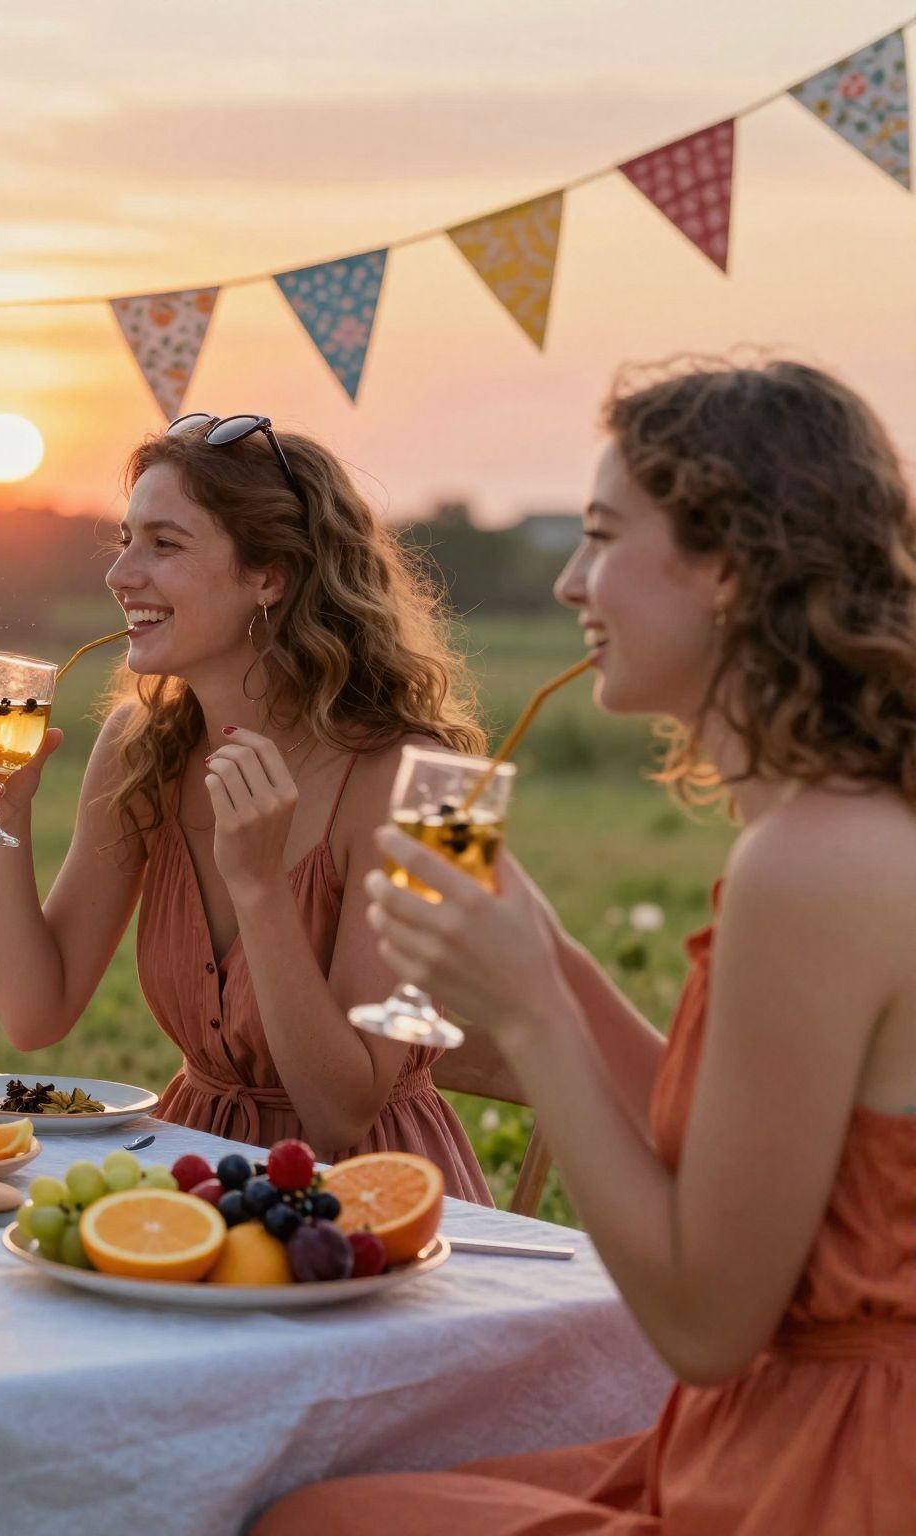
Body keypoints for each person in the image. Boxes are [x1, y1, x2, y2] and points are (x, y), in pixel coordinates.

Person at [257, 359, 916, 1533]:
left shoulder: (808, 866)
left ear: (725, 569)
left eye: (602, 536)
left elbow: (703, 1328)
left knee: (304, 1521)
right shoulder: (840, 825)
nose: (568, 581)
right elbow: (728, 1143)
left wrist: (526, 1013)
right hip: (769, 1432)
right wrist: (542, 943)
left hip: (826, 1474)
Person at [0, 413, 493, 1200]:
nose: (120, 573)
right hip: (200, 1175)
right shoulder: (141, 747)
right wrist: (7, 816)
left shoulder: (431, 783)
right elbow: (36, 1016)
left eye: (164, 545)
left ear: (270, 576)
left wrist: (264, 889)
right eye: (125, 540)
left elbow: (340, 1114)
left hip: (371, 1201)